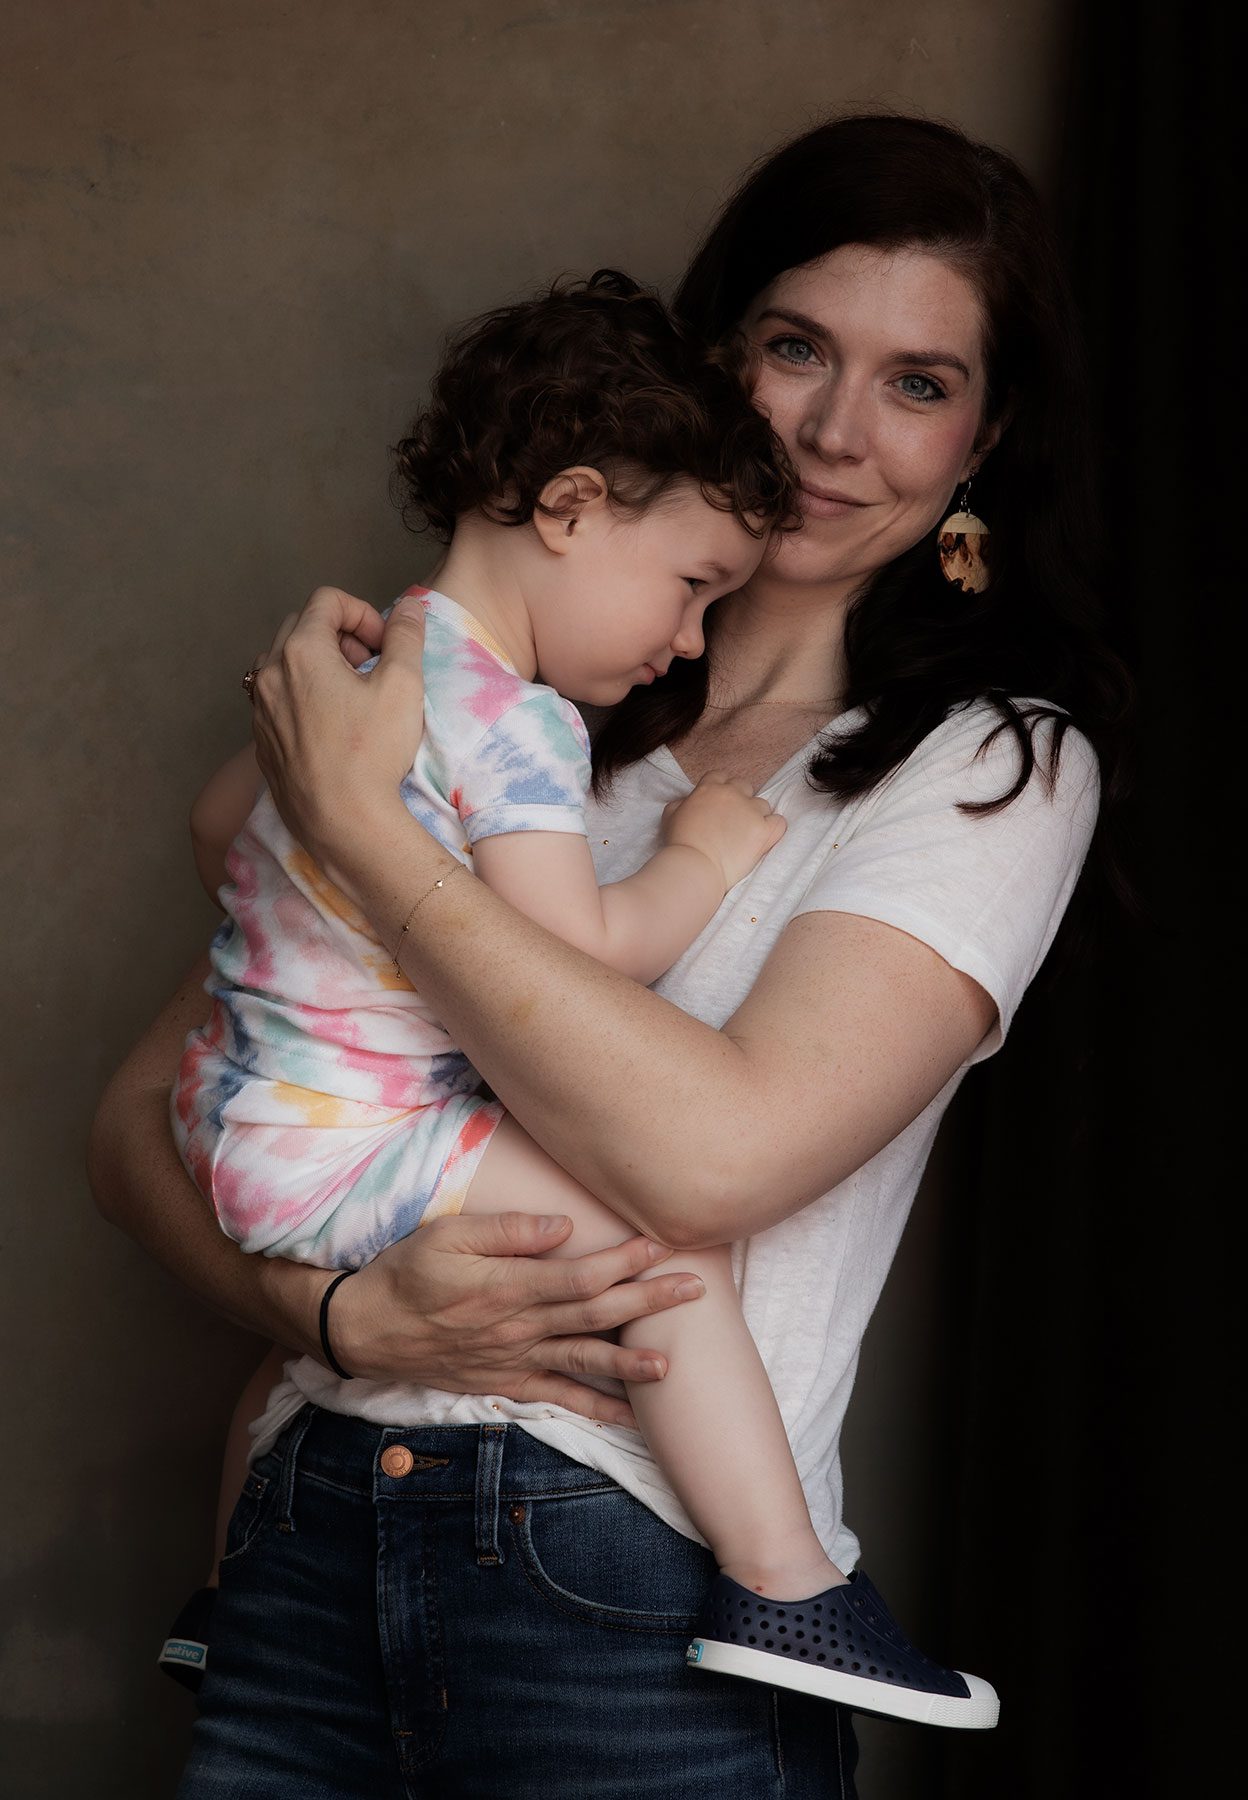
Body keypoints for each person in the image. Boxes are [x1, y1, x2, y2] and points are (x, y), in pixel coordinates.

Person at [89, 113, 1131, 1797]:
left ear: (984, 443)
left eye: (918, 384)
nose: (831, 433)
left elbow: (711, 1157)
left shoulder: (984, 764)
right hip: (297, 1530)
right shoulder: (520, 704)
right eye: (795, 347)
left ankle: (809, 1604)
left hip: (627, 1581)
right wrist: (347, 1319)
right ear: (712, 355)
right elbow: (141, 1129)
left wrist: (363, 834)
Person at [163, 266, 991, 1726]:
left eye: (921, 382)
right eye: (685, 590)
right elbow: (577, 959)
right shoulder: (524, 723)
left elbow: (224, 825)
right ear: (569, 509)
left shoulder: (371, 664)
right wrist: (695, 854)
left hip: (242, 1113)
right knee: (657, 1250)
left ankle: (222, 1601)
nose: (679, 640)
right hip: (347, 1145)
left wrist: (343, 809)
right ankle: (793, 1582)